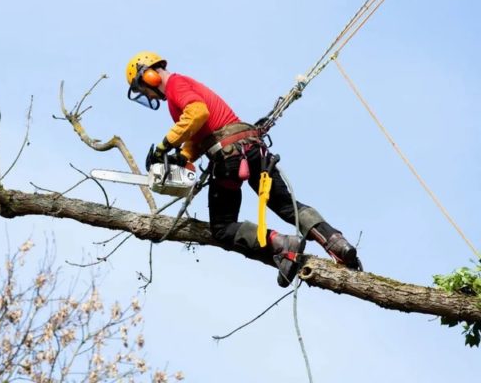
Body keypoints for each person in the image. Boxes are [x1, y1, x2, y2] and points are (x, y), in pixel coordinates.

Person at [125, 51, 362, 286]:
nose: (146, 93)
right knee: (284, 204)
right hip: (251, 149)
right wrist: (183, 156)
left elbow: (198, 113)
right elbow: (198, 134)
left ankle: (281, 245)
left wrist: (163, 146)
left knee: (223, 227)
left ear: (148, 76)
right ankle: (336, 242)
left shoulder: (176, 84)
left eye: (142, 88)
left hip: (230, 157)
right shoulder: (182, 89)